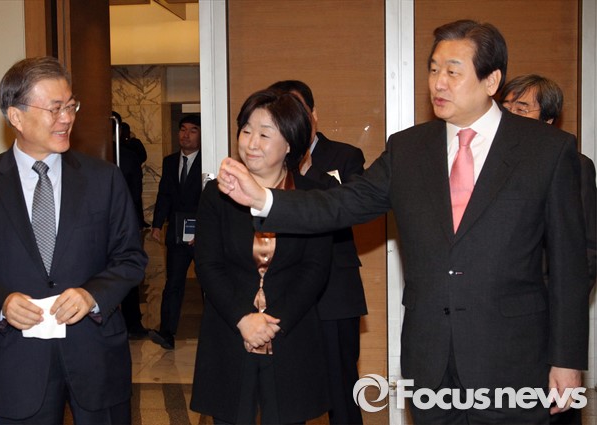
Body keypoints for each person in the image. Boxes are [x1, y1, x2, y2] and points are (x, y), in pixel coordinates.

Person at [218, 20, 590, 424]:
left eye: (452, 71)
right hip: (429, 358)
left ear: (491, 80)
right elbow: (342, 203)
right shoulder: (409, 148)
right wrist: (265, 199)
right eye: (433, 69)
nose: (438, 83)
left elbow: (569, 264)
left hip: (512, 357)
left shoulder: (546, 150)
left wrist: (567, 359)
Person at [0, 57, 148, 424]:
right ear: (16, 116)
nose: (66, 118)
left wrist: (92, 295)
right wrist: (2, 303)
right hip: (16, 362)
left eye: (71, 106)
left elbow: (131, 257)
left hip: (96, 356)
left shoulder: (104, 179)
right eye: (54, 108)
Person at [190, 89, 332, 424]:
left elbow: (315, 269)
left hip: (290, 333)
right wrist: (243, 319)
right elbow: (208, 264)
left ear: (289, 144)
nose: (251, 143)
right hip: (230, 329)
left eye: (265, 134)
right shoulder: (216, 194)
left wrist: (271, 324)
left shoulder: (313, 196)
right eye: (246, 130)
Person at [268, 79, 367, 425]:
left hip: (334, 292)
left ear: (313, 115)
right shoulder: (269, 160)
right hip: (284, 292)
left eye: (296, 110)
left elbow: (353, 207)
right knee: (286, 389)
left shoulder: (346, 156)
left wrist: (307, 170)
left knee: (341, 387)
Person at [500, 74, 597, 425]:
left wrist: (551, 305)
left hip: (545, 317)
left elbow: (585, 252)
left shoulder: (574, 164)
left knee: (550, 411)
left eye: (521, 108)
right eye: (505, 106)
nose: (509, 115)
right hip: (494, 320)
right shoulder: (488, 166)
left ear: (548, 120)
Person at [148, 114, 202, 350]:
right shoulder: (170, 161)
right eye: (182, 129)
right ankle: (167, 333)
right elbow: (165, 195)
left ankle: (215, 334)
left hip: (203, 234)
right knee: (173, 283)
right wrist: (157, 224)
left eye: (192, 130)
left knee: (208, 284)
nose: (186, 135)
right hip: (178, 233)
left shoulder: (208, 161)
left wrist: (206, 229)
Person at [118, 121, 150, 338]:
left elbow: (135, 193)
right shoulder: (128, 157)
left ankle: (132, 323)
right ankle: (132, 324)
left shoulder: (128, 156)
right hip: (125, 223)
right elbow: (135, 193)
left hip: (124, 225)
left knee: (127, 270)